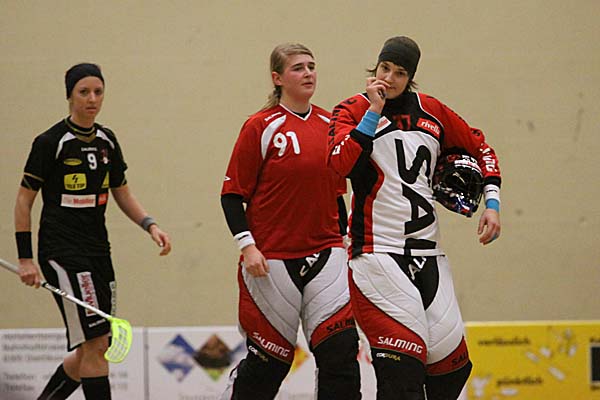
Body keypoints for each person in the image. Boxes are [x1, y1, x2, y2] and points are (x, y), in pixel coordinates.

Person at [327, 36, 502, 400]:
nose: (389, 78)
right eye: (384, 69)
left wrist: (492, 204)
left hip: (428, 254)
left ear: (410, 78)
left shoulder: (432, 111)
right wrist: (373, 112)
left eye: (400, 73)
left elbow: (481, 148)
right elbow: (339, 165)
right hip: (376, 253)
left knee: (453, 367)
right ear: (375, 67)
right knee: (402, 371)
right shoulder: (352, 109)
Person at [14, 63, 172, 400]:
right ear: (69, 95)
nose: (92, 99)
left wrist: (150, 224)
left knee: (97, 346)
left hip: (98, 250)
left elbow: (122, 192)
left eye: (98, 92)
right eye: (84, 92)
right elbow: (24, 201)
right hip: (62, 252)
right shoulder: (50, 142)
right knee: (96, 343)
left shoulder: (107, 141)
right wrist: (25, 259)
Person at [220, 43, 361, 400]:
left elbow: (337, 195)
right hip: (272, 260)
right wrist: (248, 247)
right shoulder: (260, 126)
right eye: (298, 68)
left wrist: (346, 242)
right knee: (270, 363)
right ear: (277, 78)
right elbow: (232, 195)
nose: (308, 73)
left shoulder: (331, 125)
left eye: (311, 66)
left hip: (326, 253)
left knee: (341, 352)